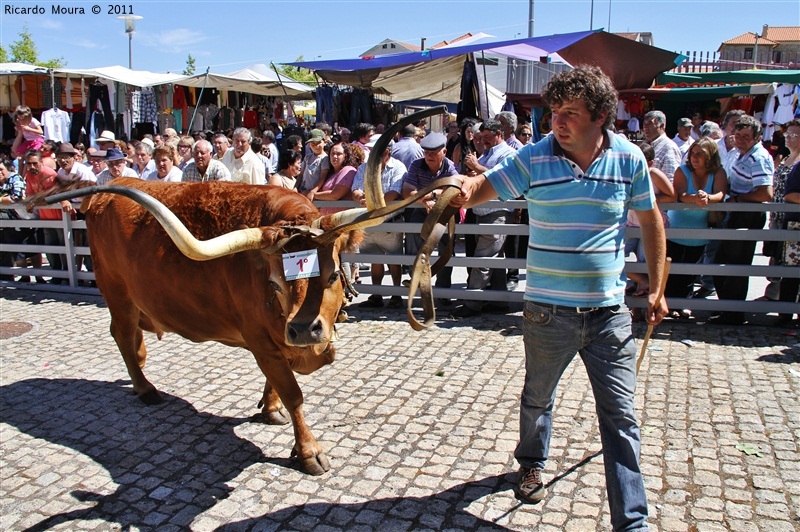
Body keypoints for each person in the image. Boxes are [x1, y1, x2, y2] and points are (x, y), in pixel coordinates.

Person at [450, 65, 667, 531]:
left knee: (622, 418)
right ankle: (531, 459)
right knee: (538, 397)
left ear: (602, 116)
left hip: (610, 316)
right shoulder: (534, 158)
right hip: (547, 313)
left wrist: (659, 285)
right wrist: (461, 188)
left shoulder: (629, 160)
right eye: (554, 112)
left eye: (570, 113)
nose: (558, 122)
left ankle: (632, 523)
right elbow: (484, 189)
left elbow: (651, 221)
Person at [711, 115, 774, 325]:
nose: (740, 139)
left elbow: (765, 193)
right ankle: (728, 309)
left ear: (756, 137)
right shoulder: (740, 154)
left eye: (745, 136)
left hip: (747, 213)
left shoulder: (758, 157)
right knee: (723, 263)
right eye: (737, 135)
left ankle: (734, 313)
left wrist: (738, 198)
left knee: (736, 266)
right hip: (737, 211)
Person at [452, 119, 516, 317]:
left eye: (487, 137)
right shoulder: (489, 153)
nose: (484, 141)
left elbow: (503, 177)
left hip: (496, 213)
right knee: (493, 260)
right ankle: (499, 301)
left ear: (499, 134)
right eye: (481, 137)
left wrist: (477, 167)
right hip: (484, 212)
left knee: (483, 259)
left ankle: (472, 304)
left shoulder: (508, 153)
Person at [664, 138, 727, 314]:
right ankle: (668, 304)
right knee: (672, 269)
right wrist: (696, 198)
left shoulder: (719, 172)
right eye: (693, 153)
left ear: (711, 156)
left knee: (691, 271)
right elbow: (681, 194)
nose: (695, 157)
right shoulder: (682, 170)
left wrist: (708, 198)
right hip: (676, 228)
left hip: (699, 231)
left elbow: (721, 193)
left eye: (700, 154)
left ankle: (684, 303)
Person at [402, 132, 459, 304]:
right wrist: (427, 201)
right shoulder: (416, 165)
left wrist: (431, 195)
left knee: (446, 248)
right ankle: (419, 285)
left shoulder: (450, 167)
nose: (429, 156)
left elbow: (454, 189)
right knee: (416, 244)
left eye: (434, 152)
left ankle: (443, 292)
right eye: (426, 152)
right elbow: (407, 192)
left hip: (445, 212)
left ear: (444, 152)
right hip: (422, 210)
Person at [351, 139, 407, 309]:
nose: (371, 154)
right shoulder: (365, 167)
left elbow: (395, 192)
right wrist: (360, 196)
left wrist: (370, 199)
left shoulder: (398, 167)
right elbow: (355, 188)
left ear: (386, 152)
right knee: (375, 259)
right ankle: (376, 294)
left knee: (394, 259)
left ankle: (396, 294)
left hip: (390, 221)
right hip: (369, 221)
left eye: (375, 151)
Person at [762, 119, 800, 302]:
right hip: (777, 215)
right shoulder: (785, 158)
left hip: (792, 218)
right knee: (774, 254)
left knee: (788, 260)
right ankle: (773, 295)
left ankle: (779, 299)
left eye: (793, 135)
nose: (788, 138)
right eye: (787, 134)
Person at [23, 150, 56, 280]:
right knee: (51, 249)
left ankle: (67, 275)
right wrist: (32, 201)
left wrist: (34, 200)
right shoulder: (29, 175)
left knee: (64, 246)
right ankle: (57, 275)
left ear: (41, 162)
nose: (31, 167)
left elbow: (54, 195)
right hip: (45, 217)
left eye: (34, 164)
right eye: (28, 164)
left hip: (59, 215)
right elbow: (29, 194)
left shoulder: (49, 174)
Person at [777, 159, 800, 327]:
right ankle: (785, 313)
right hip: (796, 226)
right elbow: (790, 195)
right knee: (791, 273)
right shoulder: (798, 168)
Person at [305, 142, 356, 215]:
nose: (335, 156)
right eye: (332, 154)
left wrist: (313, 194)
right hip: (327, 220)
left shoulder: (348, 170)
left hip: (341, 220)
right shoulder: (330, 174)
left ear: (346, 156)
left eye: (339, 154)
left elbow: (335, 195)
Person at [642, 110, 682, 181]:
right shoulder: (644, 145)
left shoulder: (669, 147)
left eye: (650, 123)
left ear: (662, 125)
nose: (645, 127)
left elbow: (671, 181)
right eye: (644, 124)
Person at [299, 129, 331, 194]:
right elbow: (301, 174)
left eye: (319, 143)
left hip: (314, 193)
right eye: (313, 144)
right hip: (303, 191)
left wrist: (313, 191)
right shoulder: (307, 157)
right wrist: (295, 187)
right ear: (308, 145)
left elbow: (323, 177)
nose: (316, 146)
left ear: (325, 142)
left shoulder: (324, 158)